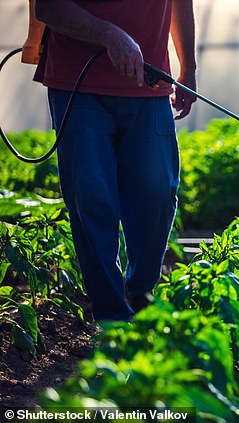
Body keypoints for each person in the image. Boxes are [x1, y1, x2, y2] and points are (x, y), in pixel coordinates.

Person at [33, 0, 197, 322]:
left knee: (158, 191)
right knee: (91, 198)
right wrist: (109, 35)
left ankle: (141, 293)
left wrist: (188, 68)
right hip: (78, 82)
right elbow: (48, 7)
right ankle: (111, 316)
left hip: (149, 79)